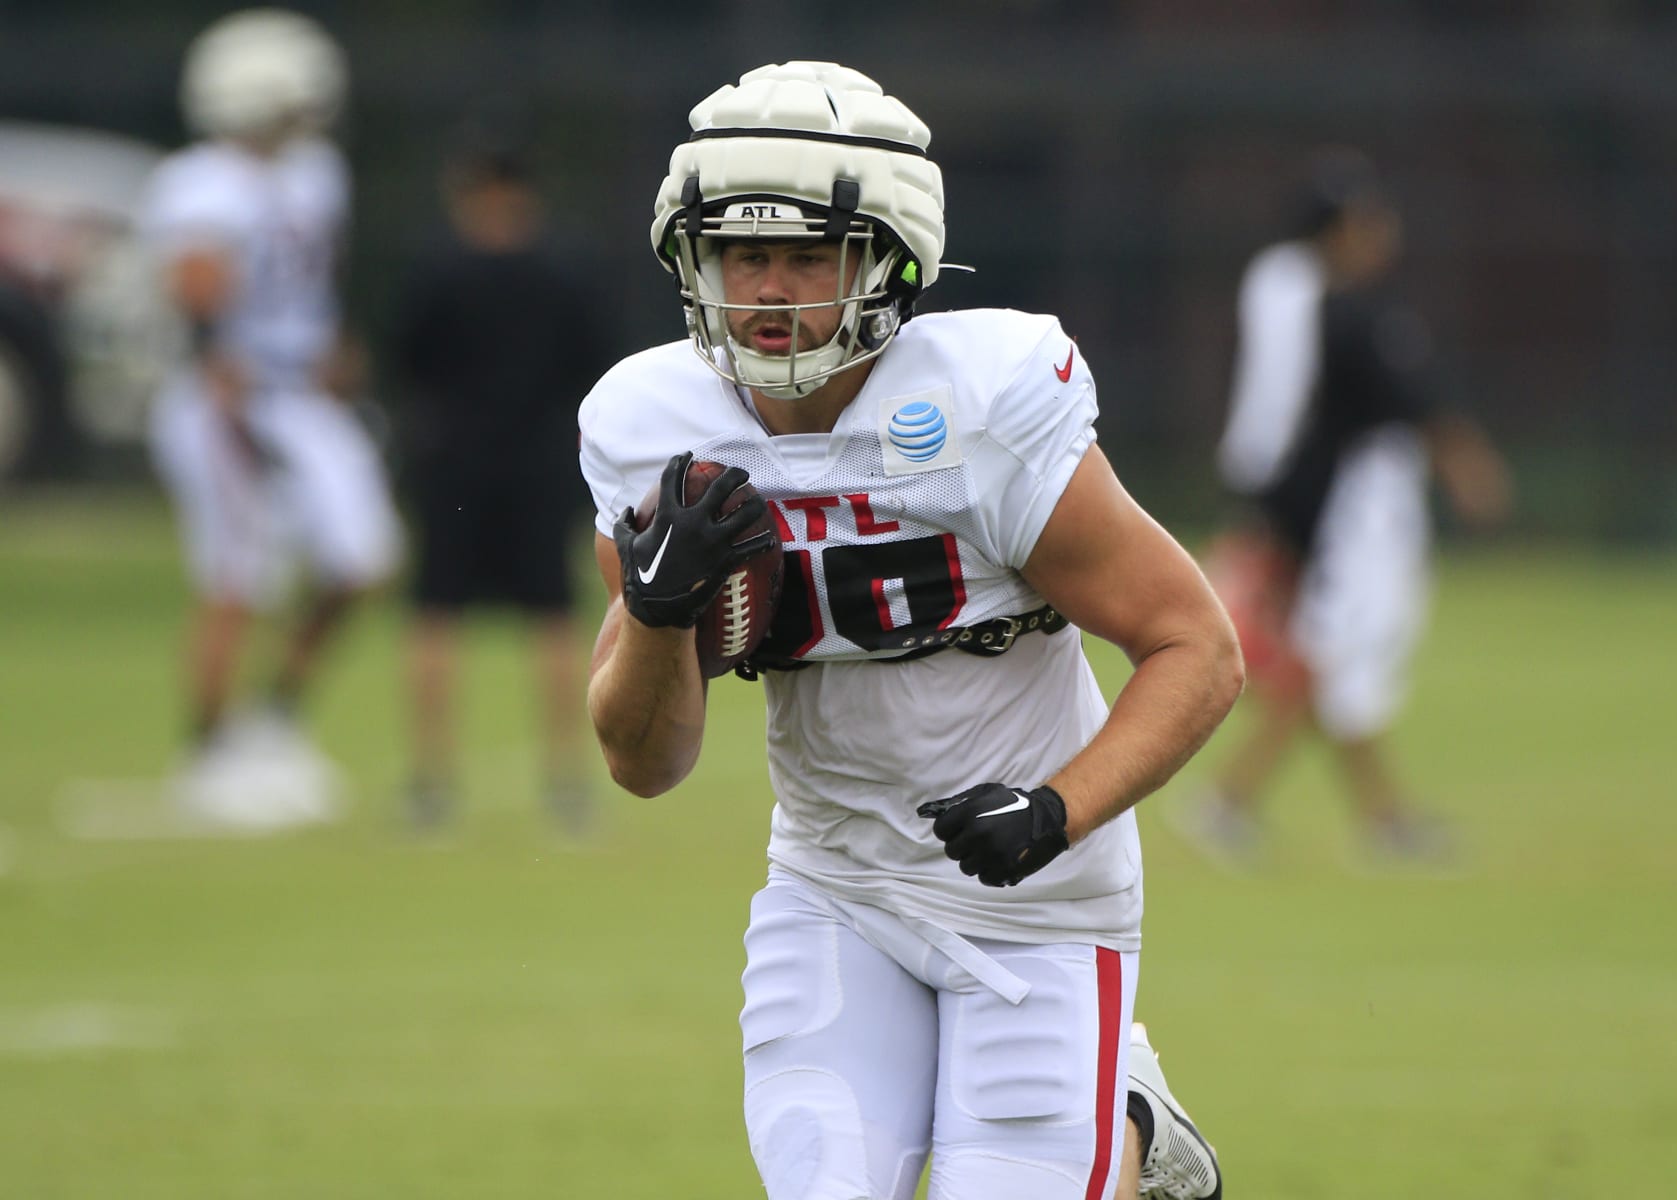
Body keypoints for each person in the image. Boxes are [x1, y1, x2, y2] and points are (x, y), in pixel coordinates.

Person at [578, 62, 1239, 1200]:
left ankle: (1124, 1120)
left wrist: (1056, 811)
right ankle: (1112, 1116)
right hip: (833, 881)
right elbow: (645, 763)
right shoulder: (654, 431)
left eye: (804, 255)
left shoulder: (982, 404)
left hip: (1034, 892)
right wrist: (652, 611)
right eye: (742, 253)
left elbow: (1197, 647)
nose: (767, 290)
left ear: (886, 262)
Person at [1175, 147, 1513, 867]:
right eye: (1367, 219)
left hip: (1326, 496)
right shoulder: (1327, 304)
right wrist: (1266, 497)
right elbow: (1299, 404)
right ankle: (1233, 803)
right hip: (1347, 505)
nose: (1382, 231)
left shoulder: (1324, 297)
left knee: (1334, 659)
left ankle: (1373, 817)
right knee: (1334, 655)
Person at [142, 9, 400, 828]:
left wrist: (332, 346)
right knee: (238, 572)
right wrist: (224, 366)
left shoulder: (317, 172)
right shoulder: (199, 181)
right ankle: (207, 751)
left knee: (364, 555)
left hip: (301, 390)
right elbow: (194, 286)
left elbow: (313, 281)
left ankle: (270, 719)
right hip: (230, 391)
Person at [389, 122, 610, 834]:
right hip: (542, 462)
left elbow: (407, 362)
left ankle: (430, 783)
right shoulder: (564, 269)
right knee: (553, 616)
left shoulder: (437, 270)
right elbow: (593, 366)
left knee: (435, 613)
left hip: (452, 462)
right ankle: (569, 781)